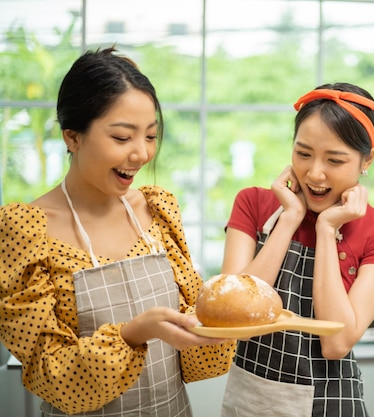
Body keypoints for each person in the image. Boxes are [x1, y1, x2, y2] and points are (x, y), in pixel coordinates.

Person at [0, 47, 235, 417]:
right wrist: (132, 334)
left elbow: (193, 356)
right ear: (72, 137)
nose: (141, 154)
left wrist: (212, 324)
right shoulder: (25, 231)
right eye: (123, 138)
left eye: (151, 136)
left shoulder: (159, 211)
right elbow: (49, 373)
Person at [219, 82, 374, 417]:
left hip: (330, 403)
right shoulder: (253, 204)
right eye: (303, 154)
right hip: (248, 398)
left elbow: (336, 343)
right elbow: (233, 315)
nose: (314, 173)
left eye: (335, 160)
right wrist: (291, 218)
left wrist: (326, 230)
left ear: (368, 160)